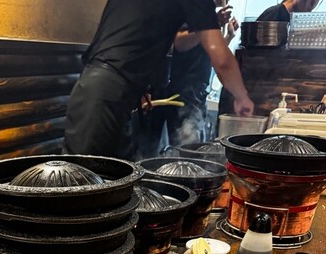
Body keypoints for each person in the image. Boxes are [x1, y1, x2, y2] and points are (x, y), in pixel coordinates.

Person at [63, 0, 254, 161]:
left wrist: (142, 86)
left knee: (115, 180)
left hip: (103, 90)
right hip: (104, 96)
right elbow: (221, 59)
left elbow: (134, 34)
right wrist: (242, 97)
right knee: (81, 181)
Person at [165, 6, 239, 147]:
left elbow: (210, 54)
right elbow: (179, 42)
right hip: (183, 91)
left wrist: (229, 36)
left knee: (195, 147)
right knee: (184, 147)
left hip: (199, 93)